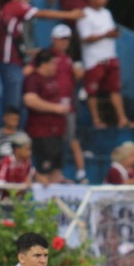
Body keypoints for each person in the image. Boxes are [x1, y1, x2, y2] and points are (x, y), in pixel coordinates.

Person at [0, 0, 81, 113]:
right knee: (13, 101)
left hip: (12, 61)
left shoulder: (8, 12)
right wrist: (70, 15)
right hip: (10, 63)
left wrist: (26, 52)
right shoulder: (14, 6)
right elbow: (42, 13)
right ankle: (10, 132)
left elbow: (11, 39)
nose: (28, 1)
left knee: (15, 99)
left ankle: (15, 130)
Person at [78, 0, 132, 129]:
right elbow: (85, 38)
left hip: (110, 56)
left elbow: (110, 31)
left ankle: (122, 119)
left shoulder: (107, 13)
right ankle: (96, 120)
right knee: (92, 91)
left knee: (115, 89)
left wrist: (113, 34)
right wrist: (105, 35)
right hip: (94, 59)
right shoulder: (84, 14)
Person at [22, 49, 71, 185]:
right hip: (42, 133)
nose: (55, 67)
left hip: (56, 133)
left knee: (56, 171)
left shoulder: (51, 80)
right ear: (44, 64)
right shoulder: (33, 79)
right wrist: (55, 108)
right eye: (53, 64)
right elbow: (29, 100)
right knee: (43, 173)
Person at [48, 23, 86, 181]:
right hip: (51, 105)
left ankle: (81, 172)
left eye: (67, 40)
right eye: (61, 39)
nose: (64, 43)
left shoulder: (69, 59)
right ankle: (54, 172)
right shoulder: (47, 57)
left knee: (71, 138)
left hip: (67, 105)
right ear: (54, 39)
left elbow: (72, 81)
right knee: (53, 139)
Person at [0, 130, 34, 199]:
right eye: (27, 149)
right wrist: (14, 190)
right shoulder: (6, 161)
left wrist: (27, 183)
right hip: (2, 200)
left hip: (18, 200)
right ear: (17, 149)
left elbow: (29, 178)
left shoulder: (27, 162)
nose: (30, 152)